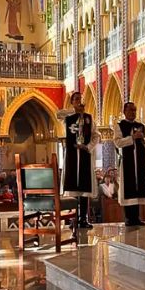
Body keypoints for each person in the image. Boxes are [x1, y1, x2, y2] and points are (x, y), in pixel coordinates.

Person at [57, 91, 96, 229]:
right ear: (72, 102)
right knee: (74, 190)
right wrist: (75, 110)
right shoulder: (68, 117)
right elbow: (58, 114)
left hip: (84, 155)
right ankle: (73, 219)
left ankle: (83, 219)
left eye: (81, 99)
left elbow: (96, 136)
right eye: (77, 99)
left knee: (84, 190)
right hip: (72, 156)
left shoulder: (89, 119)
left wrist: (88, 146)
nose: (80, 101)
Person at [113, 101, 145, 227]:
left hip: (139, 161)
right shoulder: (119, 126)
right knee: (128, 188)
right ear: (124, 112)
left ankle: (136, 217)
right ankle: (129, 217)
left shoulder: (141, 126)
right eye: (130, 110)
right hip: (127, 161)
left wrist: (142, 138)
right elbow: (117, 143)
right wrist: (132, 138)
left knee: (138, 188)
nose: (133, 112)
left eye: (134, 110)